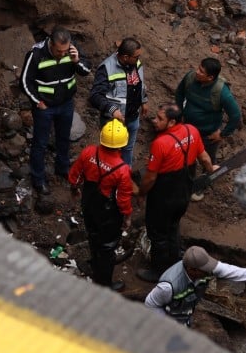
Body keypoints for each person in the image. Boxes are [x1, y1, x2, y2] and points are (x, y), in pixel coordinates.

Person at [135, 104, 217, 282]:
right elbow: (204, 158)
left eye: (160, 119)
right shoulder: (192, 131)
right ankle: (175, 261)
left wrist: (141, 194)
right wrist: (212, 171)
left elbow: (149, 178)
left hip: (163, 198)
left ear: (172, 122)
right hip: (183, 194)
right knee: (173, 227)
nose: (154, 121)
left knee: (158, 234)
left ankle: (159, 272)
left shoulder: (161, 143)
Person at [145, 246, 246, 327]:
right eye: (206, 269)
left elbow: (239, 273)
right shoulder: (168, 286)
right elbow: (151, 304)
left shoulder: (206, 268)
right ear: (192, 270)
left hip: (184, 316)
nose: (211, 271)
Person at [20, 26, 91, 195]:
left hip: (66, 103)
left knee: (63, 139)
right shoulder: (36, 54)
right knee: (40, 143)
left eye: (65, 51)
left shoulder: (72, 50)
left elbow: (86, 71)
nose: (62, 54)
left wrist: (76, 60)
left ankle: (62, 168)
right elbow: (24, 81)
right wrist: (37, 102)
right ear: (51, 43)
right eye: (59, 51)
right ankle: (38, 179)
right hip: (45, 107)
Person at [68, 120, 135, 291]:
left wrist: (75, 189)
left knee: (92, 233)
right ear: (122, 145)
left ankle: (95, 262)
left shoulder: (89, 152)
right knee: (107, 246)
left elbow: (75, 175)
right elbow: (123, 199)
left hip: (89, 202)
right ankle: (104, 283)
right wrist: (127, 216)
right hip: (108, 211)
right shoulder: (122, 169)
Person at [87, 37, 149, 166]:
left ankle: (124, 179)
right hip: (113, 122)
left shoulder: (135, 63)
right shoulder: (106, 69)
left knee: (128, 149)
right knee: (108, 152)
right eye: (136, 56)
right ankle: (106, 176)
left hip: (133, 117)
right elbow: (95, 96)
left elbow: (140, 84)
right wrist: (112, 110)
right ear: (126, 57)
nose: (139, 59)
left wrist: (144, 100)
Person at [174, 57, 241, 165]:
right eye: (198, 68)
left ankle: (209, 176)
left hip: (207, 135)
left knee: (208, 160)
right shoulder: (190, 78)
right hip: (187, 129)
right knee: (185, 157)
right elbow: (179, 94)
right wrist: (179, 113)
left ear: (210, 77)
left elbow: (235, 115)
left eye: (201, 71)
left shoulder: (222, 92)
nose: (197, 71)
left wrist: (222, 134)